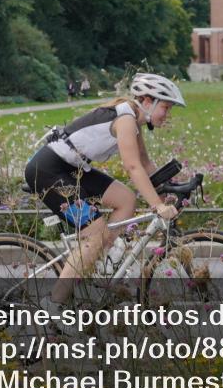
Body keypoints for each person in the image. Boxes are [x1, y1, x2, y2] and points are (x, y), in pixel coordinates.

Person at [24, 73, 185, 324]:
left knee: (126, 200)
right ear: (147, 101)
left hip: (72, 169)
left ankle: (101, 263)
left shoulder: (132, 119)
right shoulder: (126, 120)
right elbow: (133, 167)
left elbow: (145, 164)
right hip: (48, 171)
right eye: (166, 107)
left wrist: (166, 193)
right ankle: (53, 305)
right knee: (96, 234)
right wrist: (156, 205)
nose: (168, 114)